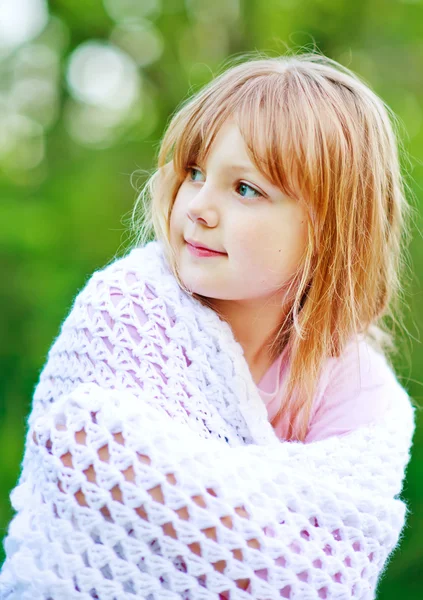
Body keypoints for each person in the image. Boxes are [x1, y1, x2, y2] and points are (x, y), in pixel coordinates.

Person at [0, 51, 415, 599]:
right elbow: (87, 444)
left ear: (334, 228)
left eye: (246, 189)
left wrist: (183, 495)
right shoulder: (131, 307)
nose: (198, 206)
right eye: (195, 172)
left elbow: (328, 575)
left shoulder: (358, 389)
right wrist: (263, 524)